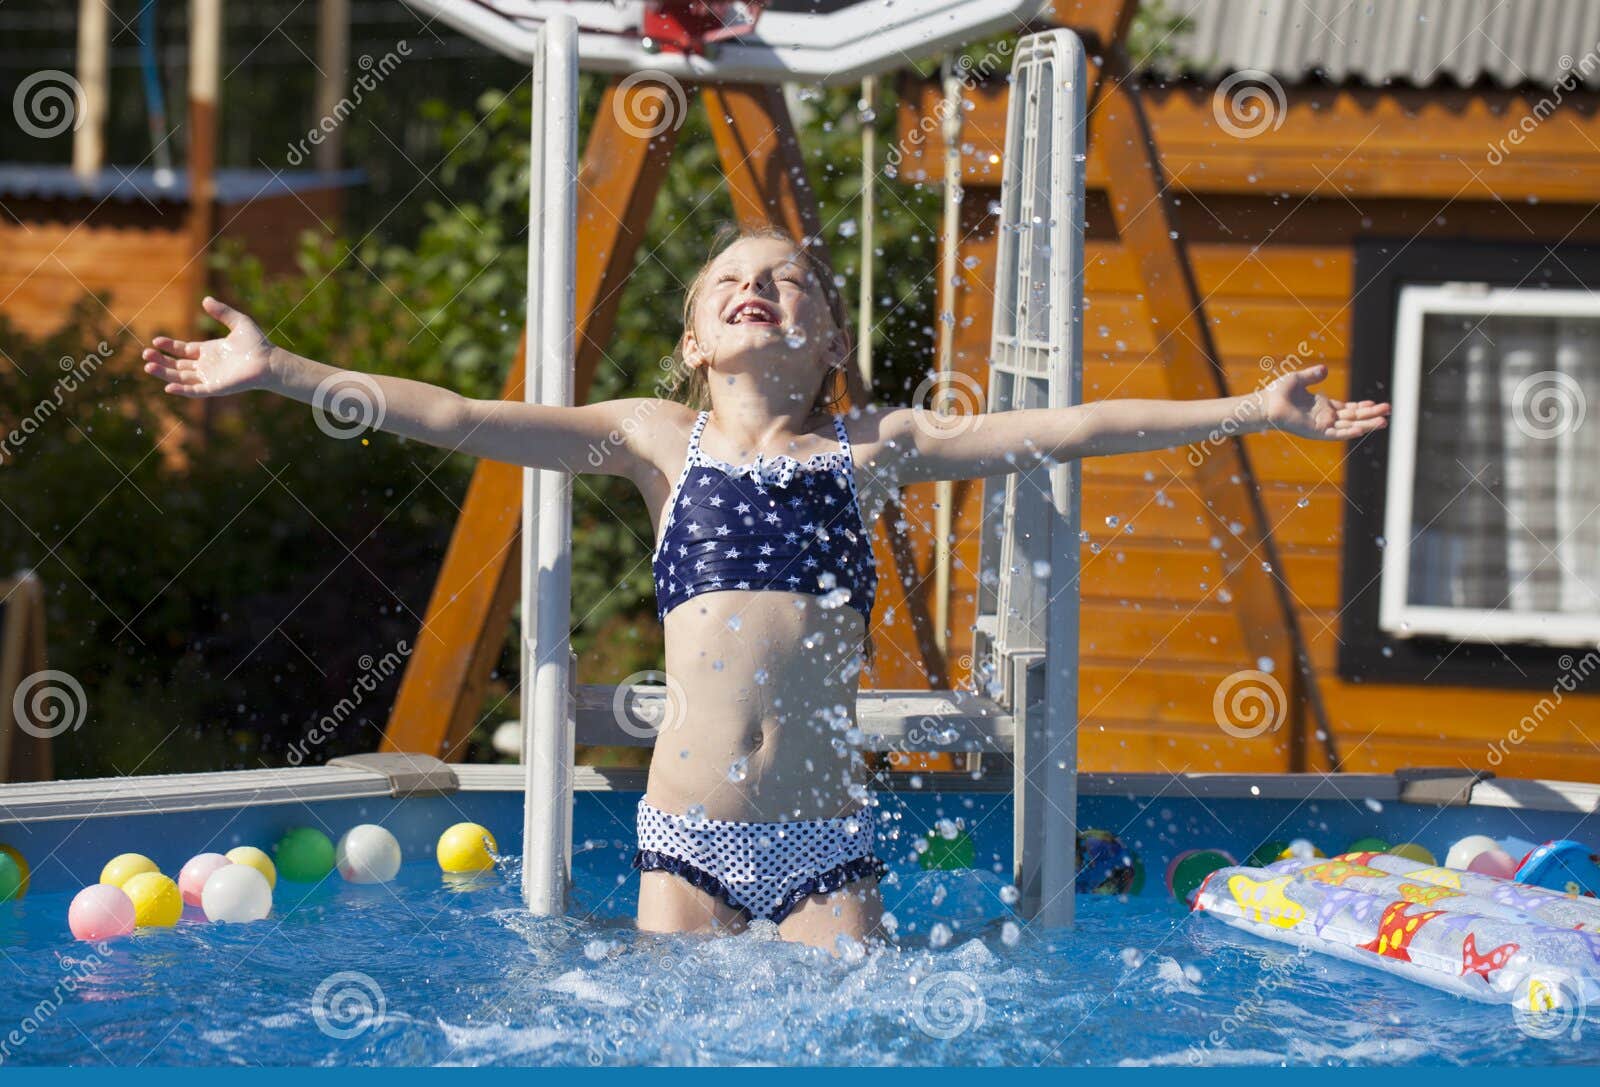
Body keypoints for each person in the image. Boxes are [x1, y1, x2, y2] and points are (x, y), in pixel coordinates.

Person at [141, 225, 1389, 952]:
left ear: (829, 340)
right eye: (732, 280)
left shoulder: (870, 445)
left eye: (790, 280)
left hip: (825, 843)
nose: (760, 286)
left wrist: (1248, 409)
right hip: (684, 841)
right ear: (693, 342)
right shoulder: (652, 438)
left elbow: (1061, 429)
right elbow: (461, 413)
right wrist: (283, 367)